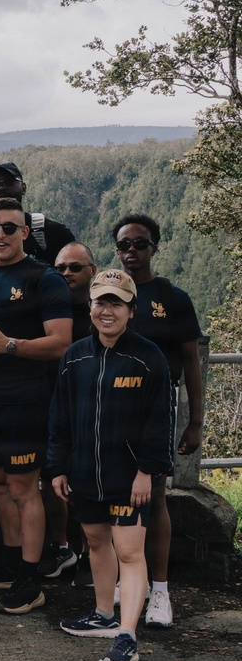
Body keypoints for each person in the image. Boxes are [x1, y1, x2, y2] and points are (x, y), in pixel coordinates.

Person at [49, 269, 173, 661]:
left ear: (131, 310)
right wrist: (58, 467)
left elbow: (160, 420)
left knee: (130, 552)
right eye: (101, 301)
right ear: (90, 307)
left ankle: (127, 637)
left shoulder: (149, 357)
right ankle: (104, 615)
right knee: (97, 542)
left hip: (129, 478)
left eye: (116, 303)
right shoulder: (75, 356)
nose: (107, 310)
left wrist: (147, 472)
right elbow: (60, 417)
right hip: (84, 473)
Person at [0, 197, 72, 614]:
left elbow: (61, 342)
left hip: (26, 402)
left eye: (10, 228)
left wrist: (10, 345)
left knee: (24, 488)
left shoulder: (43, 278)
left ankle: (31, 578)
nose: (0, 235)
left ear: (25, 233)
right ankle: (9, 564)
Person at [112, 214, 203, 628]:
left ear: (155, 247)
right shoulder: (110, 294)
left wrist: (195, 421)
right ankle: (125, 581)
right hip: (113, 409)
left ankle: (160, 592)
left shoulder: (173, 298)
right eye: (124, 245)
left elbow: (191, 361)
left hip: (157, 410)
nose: (132, 251)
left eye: (140, 244)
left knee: (157, 498)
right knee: (114, 494)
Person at [40, 241, 98, 583]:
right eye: (60, 267)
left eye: (75, 267)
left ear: (93, 270)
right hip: (55, 406)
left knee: (90, 481)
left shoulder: (103, 309)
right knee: (53, 478)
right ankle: (63, 548)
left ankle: (91, 556)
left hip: (94, 407)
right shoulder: (48, 306)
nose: (66, 274)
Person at [0, 161, 75, 277]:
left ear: (24, 187)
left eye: (9, 182)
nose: (1, 188)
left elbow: (76, 278)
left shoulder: (53, 233)